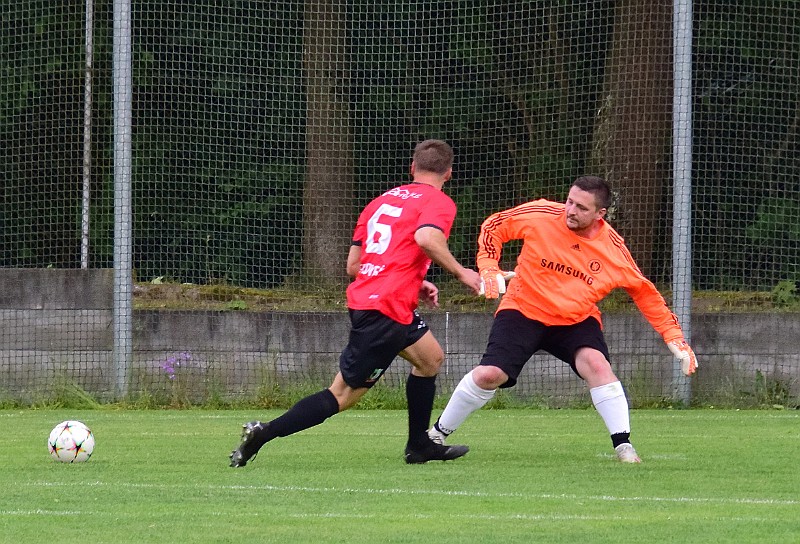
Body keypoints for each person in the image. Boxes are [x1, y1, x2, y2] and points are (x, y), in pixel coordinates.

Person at [230, 139, 482, 467]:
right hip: (384, 312)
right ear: (448, 173)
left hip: (383, 302)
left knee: (430, 359)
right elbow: (426, 238)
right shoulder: (438, 202)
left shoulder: (379, 202)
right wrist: (462, 273)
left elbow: (353, 266)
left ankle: (419, 445)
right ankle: (263, 432)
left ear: (412, 168)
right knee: (342, 396)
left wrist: (413, 281)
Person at [428, 175, 698, 463]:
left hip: (575, 319)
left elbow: (645, 293)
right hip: (523, 309)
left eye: (582, 207)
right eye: (570, 201)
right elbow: (495, 225)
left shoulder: (613, 251)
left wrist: (674, 336)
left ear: (600, 214)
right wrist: (488, 266)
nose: (570, 210)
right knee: (489, 375)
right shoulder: (542, 215)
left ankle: (624, 446)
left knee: (597, 364)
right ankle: (435, 435)